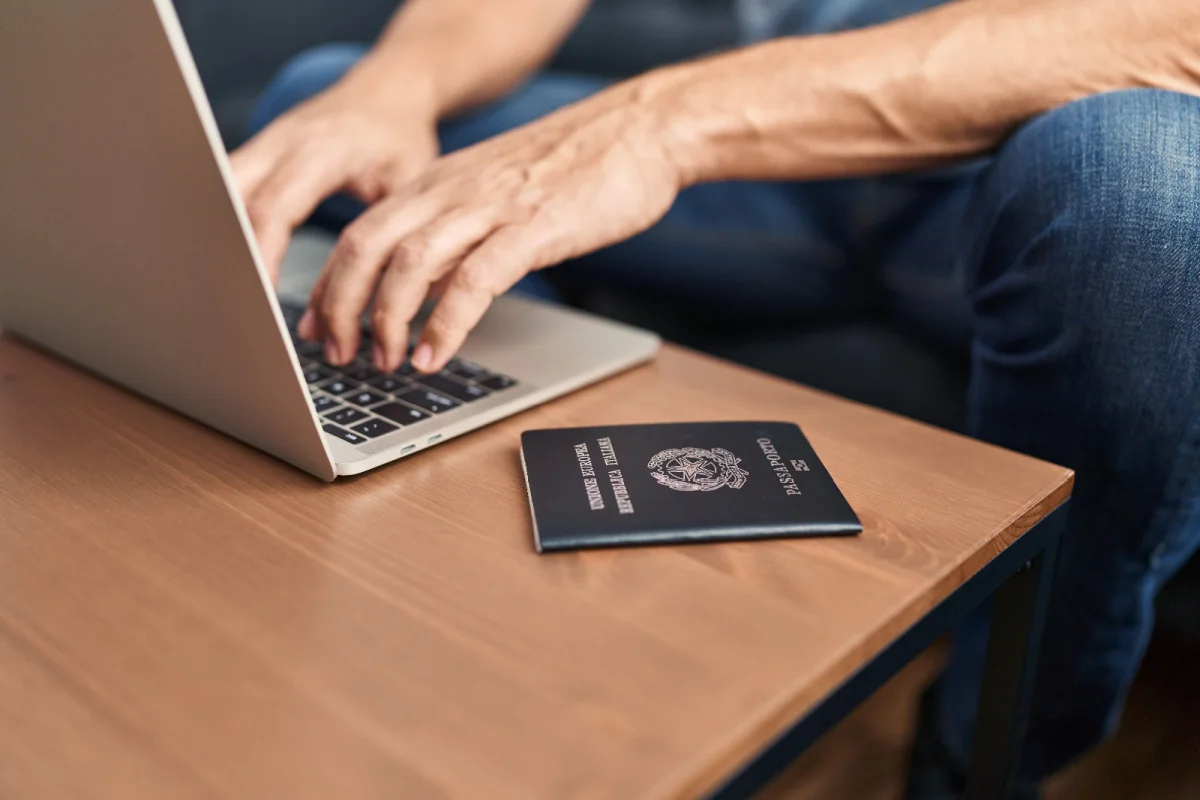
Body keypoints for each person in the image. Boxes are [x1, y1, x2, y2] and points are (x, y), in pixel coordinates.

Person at [230, 0, 1200, 796]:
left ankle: (980, 753)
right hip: (793, 133)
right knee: (321, 103)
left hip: (1057, 143)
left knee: (1146, 199)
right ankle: (491, 642)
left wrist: (651, 127)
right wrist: (390, 89)